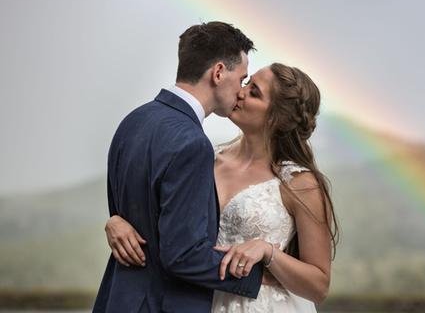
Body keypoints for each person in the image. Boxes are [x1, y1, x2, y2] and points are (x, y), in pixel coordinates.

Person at [106, 63, 339, 312]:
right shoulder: (206, 159)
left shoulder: (299, 183)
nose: (240, 91)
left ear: (277, 118)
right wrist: (117, 220)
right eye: (247, 82)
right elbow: (166, 224)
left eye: (254, 92)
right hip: (196, 300)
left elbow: (319, 285)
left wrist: (268, 252)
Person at [93, 22, 267, 313]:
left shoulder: (133, 121)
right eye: (242, 78)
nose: (241, 91)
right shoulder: (193, 145)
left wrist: (113, 220)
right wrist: (261, 277)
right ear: (219, 72)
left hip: (118, 300)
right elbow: (183, 255)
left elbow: (126, 213)